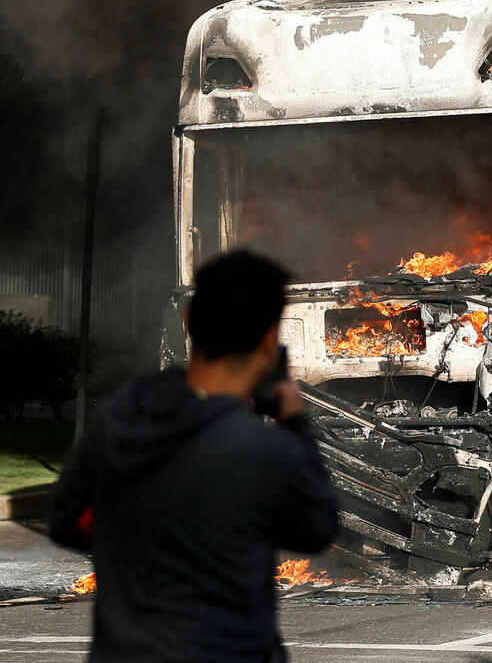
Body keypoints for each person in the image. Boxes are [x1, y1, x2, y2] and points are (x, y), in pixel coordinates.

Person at [50, 249, 338, 663]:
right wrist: (293, 421)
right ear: (270, 339)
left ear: (188, 318)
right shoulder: (265, 450)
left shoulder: (119, 419)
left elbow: (66, 523)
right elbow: (315, 529)